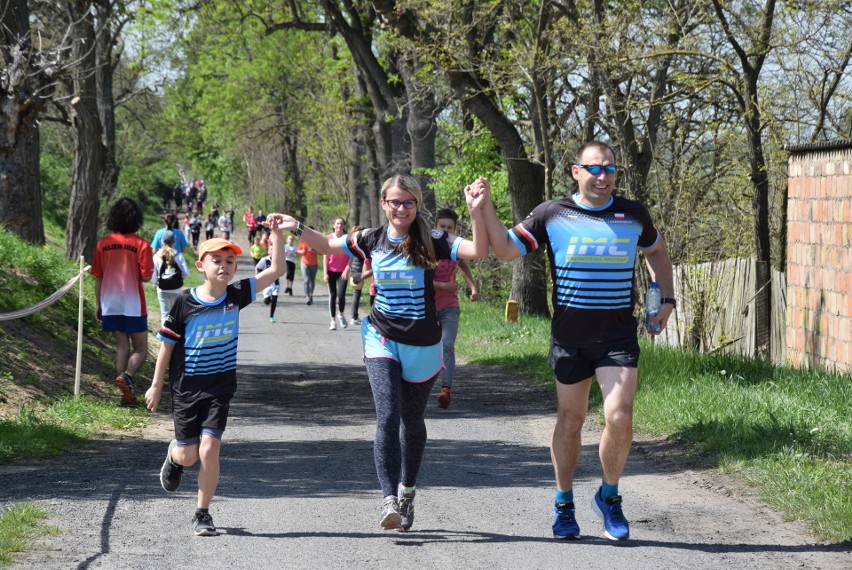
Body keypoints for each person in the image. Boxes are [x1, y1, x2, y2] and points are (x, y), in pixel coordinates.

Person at [480, 140, 675, 542]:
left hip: (617, 334)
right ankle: (564, 504)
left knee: (619, 417)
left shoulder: (633, 214)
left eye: (609, 169)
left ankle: (609, 496)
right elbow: (502, 250)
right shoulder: (552, 213)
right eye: (594, 169)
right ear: (576, 171)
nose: (603, 177)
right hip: (569, 335)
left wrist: (666, 298)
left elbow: (657, 253)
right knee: (571, 421)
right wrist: (483, 209)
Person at [277, 174, 489, 531]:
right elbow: (328, 245)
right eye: (395, 201)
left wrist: (476, 211)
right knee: (388, 415)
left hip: (422, 344)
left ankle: (407, 489)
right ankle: (388, 498)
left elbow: (479, 252)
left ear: (417, 205)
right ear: (383, 203)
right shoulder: (370, 239)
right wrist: (296, 226)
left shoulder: (434, 240)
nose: (401, 208)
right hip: (381, 338)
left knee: (412, 420)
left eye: (408, 202)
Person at [144, 216, 287, 537]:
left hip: (219, 388)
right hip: (185, 389)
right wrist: (155, 385)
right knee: (189, 455)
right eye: (217, 260)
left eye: (231, 260)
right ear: (200, 265)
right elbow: (166, 346)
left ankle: (202, 513)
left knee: (209, 450)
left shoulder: (236, 295)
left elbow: (276, 270)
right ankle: (174, 455)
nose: (225, 265)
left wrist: (275, 234)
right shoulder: (185, 302)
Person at [91, 197, 154, 408]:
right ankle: (127, 376)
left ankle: (123, 395)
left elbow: (98, 276)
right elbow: (146, 277)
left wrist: (98, 304)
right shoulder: (141, 244)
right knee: (141, 348)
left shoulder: (103, 244)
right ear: (136, 219)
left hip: (109, 301)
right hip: (133, 303)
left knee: (121, 347)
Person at [432, 209, 479, 409]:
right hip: (427, 306)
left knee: (447, 344)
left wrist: (473, 287)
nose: (445, 230)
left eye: (449, 227)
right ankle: (418, 386)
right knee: (427, 349)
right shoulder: (427, 248)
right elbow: (420, 280)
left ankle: (445, 390)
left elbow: (463, 265)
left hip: (450, 306)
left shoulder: (454, 248)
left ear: (455, 229)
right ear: (435, 227)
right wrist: (444, 286)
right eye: (442, 226)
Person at [152, 230, 191, 326]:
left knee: (165, 314)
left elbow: (153, 276)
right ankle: (175, 336)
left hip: (162, 289)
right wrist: (178, 279)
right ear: (174, 242)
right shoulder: (178, 255)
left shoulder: (156, 256)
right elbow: (186, 273)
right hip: (176, 289)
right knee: (176, 314)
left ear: (162, 241)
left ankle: (164, 336)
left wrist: (156, 282)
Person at [324, 217, 350, 330]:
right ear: (334, 225)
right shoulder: (328, 238)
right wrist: (325, 273)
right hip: (331, 271)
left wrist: (347, 269)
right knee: (333, 295)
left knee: (341, 295)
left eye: (341, 224)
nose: (339, 226)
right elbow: (325, 256)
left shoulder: (347, 238)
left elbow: (351, 255)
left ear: (344, 226)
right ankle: (333, 321)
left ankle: (341, 314)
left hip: (342, 272)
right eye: (337, 223)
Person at [347, 225, 372, 325]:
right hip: (359, 271)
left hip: (354, 270)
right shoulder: (362, 245)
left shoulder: (354, 244)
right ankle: (354, 317)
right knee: (357, 294)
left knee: (356, 293)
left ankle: (354, 316)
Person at [256, 252, 280, 323]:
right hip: (267, 283)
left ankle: (271, 316)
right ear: (269, 251)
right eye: (271, 250)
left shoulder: (278, 260)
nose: (273, 252)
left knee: (274, 299)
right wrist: (262, 275)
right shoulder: (264, 260)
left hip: (276, 283)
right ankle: (267, 299)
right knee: (266, 301)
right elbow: (258, 268)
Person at [297, 233, 318, 305]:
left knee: (312, 280)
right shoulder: (302, 241)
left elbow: (321, 252)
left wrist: (313, 251)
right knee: (306, 280)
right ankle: (307, 296)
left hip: (314, 264)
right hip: (304, 263)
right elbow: (298, 250)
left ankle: (311, 294)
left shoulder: (315, 242)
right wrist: (301, 251)